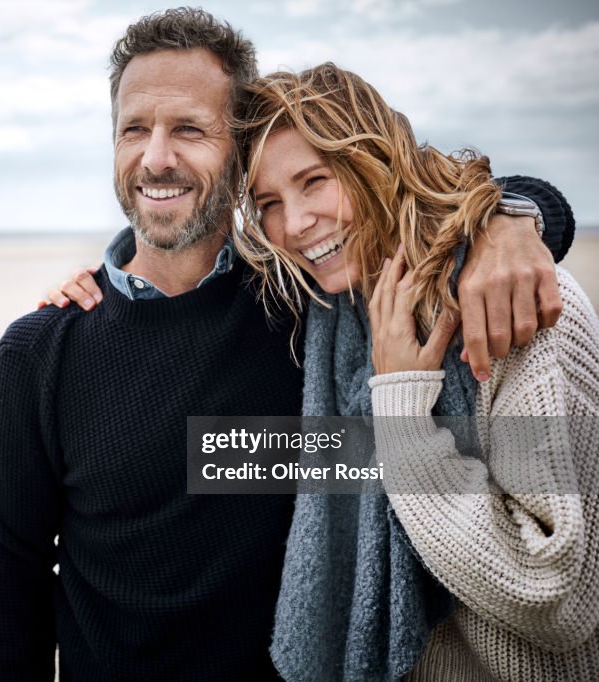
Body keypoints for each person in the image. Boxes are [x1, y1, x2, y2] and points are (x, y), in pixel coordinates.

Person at [0, 8, 571, 680]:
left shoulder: (308, 312)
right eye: (134, 130)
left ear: (241, 155)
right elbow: (14, 577)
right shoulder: (41, 351)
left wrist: (514, 220)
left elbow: (421, 213)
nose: (156, 157)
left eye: (190, 130)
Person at [236, 64, 598, 680]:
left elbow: (557, 598)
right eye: (269, 204)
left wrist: (402, 413)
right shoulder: (330, 312)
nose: (294, 225)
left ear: (372, 161)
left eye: (314, 181)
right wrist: (100, 289)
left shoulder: (516, 310)